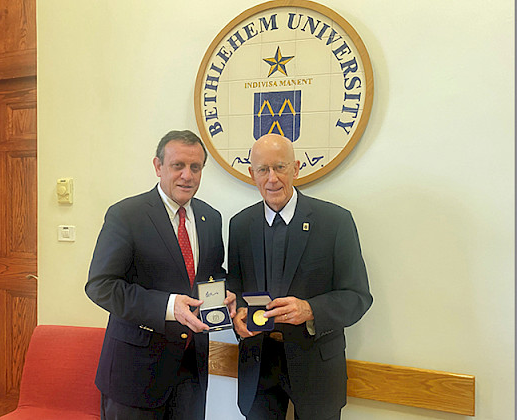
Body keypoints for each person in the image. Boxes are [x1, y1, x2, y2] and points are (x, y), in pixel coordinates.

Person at [86, 130, 235, 420]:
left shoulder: (210, 217)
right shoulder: (126, 215)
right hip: (136, 376)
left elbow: (210, 276)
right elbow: (100, 286)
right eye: (178, 165)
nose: (187, 176)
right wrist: (168, 306)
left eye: (195, 167)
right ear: (158, 166)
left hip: (191, 373)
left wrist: (225, 294)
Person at [227, 134, 373, 420]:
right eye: (263, 169)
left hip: (317, 368)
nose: (272, 178)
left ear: (295, 168)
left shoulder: (335, 222)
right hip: (258, 366)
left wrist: (310, 310)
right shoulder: (240, 225)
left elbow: (357, 296)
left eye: (280, 167)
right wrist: (238, 314)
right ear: (251, 173)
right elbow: (236, 287)